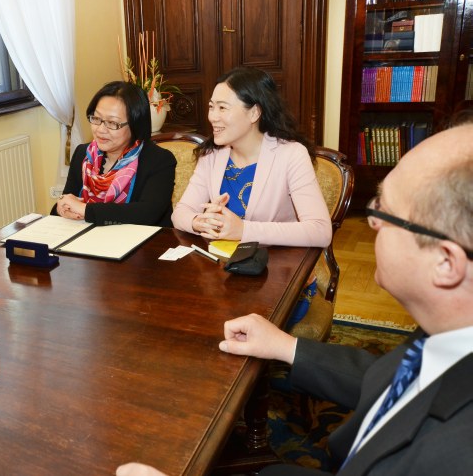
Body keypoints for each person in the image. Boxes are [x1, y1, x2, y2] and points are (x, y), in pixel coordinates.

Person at [118, 122, 473, 475]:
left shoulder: (453, 453)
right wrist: (287, 346)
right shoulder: (449, 330)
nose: (371, 224)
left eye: (384, 212)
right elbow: (394, 377)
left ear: (446, 262)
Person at [171, 66, 331, 248]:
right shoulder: (212, 155)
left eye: (222, 108)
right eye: (211, 107)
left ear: (254, 113)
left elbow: (320, 231)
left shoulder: (292, 155)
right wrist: (199, 222)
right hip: (222, 259)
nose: (213, 117)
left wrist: (243, 230)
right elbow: (181, 213)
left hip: (276, 260)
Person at [52, 81, 176, 226]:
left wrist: (85, 209)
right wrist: (62, 207)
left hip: (144, 239)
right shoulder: (83, 154)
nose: (100, 130)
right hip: (89, 237)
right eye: (96, 119)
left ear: (135, 124)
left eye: (112, 123)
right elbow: (68, 200)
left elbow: (146, 214)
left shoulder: (159, 160)